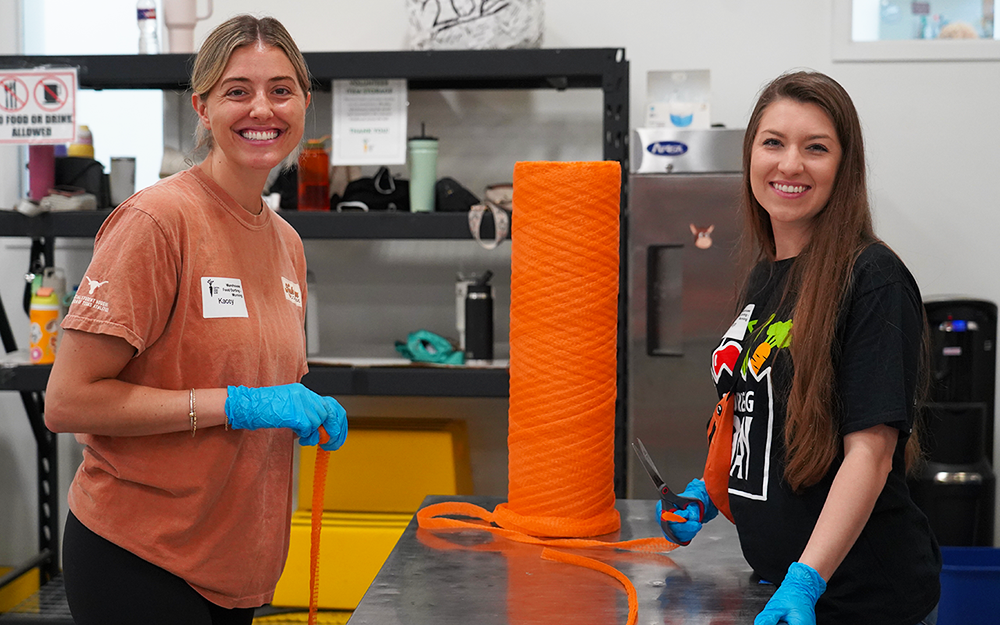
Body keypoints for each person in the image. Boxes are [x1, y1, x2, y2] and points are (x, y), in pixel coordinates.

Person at [44, 15, 347, 625]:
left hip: (236, 571)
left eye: (281, 90)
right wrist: (235, 405)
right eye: (237, 90)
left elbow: (246, 367)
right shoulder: (157, 223)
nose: (262, 108)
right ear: (203, 107)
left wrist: (298, 404)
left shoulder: (286, 242)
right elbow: (67, 402)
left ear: (305, 104)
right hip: (140, 560)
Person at [656, 70, 941, 625]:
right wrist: (713, 496)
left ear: (844, 167)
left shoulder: (871, 278)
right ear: (750, 157)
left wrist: (806, 580)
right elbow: (759, 416)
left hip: (861, 600)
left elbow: (871, 452)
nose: (790, 165)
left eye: (816, 147)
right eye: (773, 143)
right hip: (775, 588)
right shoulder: (767, 277)